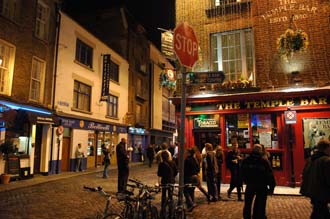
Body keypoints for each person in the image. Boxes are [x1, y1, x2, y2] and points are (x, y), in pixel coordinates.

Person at [241, 144, 276, 219]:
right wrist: (272, 187)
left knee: (248, 203)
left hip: (250, 184)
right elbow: (269, 174)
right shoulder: (264, 161)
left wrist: (245, 180)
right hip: (261, 185)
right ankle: (258, 216)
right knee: (260, 203)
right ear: (261, 151)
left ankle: (247, 217)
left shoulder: (246, 160)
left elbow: (242, 172)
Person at [300, 140, 330, 219]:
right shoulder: (326, 160)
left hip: (312, 190)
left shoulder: (310, 159)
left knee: (318, 211)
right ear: (326, 148)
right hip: (322, 191)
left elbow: (304, 174)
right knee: (321, 211)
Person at [157, 151, 178, 219]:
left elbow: (159, 174)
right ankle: (171, 211)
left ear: (162, 157)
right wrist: (172, 177)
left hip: (164, 181)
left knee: (163, 195)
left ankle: (163, 210)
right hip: (171, 181)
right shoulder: (172, 163)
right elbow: (176, 172)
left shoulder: (161, 164)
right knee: (170, 195)